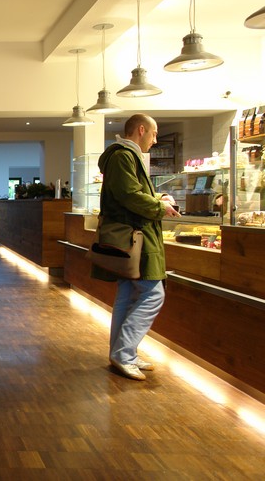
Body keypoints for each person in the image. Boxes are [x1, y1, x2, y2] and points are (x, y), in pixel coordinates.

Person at [91, 114, 180, 381]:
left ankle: (122, 353)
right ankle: (124, 353)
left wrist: (157, 197)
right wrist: (159, 206)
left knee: (128, 293)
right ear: (141, 130)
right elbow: (129, 195)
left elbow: (131, 191)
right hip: (136, 236)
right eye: (154, 133)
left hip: (132, 236)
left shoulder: (124, 156)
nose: (155, 140)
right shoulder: (123, 156)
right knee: (153, 294)